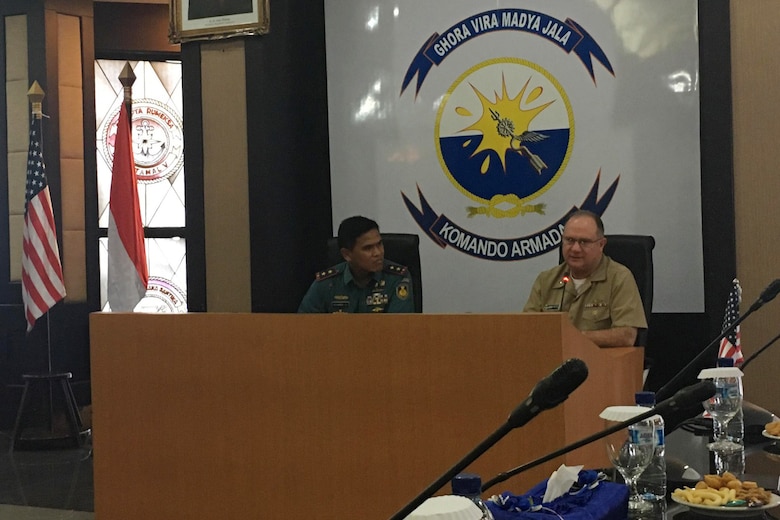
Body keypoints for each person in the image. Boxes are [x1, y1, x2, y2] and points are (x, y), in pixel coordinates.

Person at [523, 210, 647, 347]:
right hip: (552, 363)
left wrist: (574, 338)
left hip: (601, 364)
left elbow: (626, 336)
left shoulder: (619, 278)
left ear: (601, 245)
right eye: (569, 240)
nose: (575, 248)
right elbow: (526, 330)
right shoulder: (546, 280)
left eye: (584, 242)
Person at [298, 216, 415, 313]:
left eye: (379, 244)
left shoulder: (397, 278)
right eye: (368, 248)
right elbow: (303, 328)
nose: (378, 253)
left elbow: (399, 329)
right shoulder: (327, 283)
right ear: (347, 254)